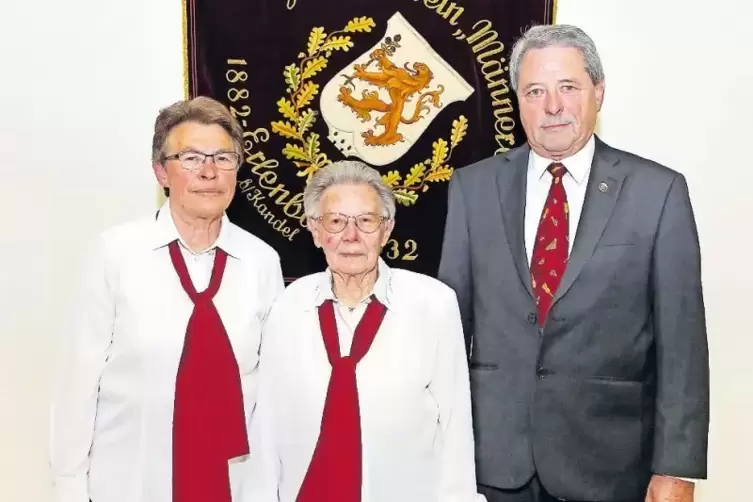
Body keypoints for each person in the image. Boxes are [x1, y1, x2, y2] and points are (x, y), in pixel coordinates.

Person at [438, 24, 709, 502]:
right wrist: (438, 452)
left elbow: (682, 344)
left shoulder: (658, 193)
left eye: (568, 87)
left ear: (598, 93)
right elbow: (448, 331)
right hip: (492, 466)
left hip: (610, 466)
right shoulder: (472, 189)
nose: (553, 106)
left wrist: (676, 469)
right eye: (535, 91)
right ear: (518, 101)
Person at [49, 96, 284, 502]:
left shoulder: (261, 262)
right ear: (161, 172)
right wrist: (68, 487)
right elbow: (77, 383)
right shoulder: (116, 253)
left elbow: (272, 392)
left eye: (224, 158)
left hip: (233, 486)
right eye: (191, 157)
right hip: (130, 482)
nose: (209, 172)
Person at [241, 160, 485, 502]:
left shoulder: (433, 304)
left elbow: (456, 426)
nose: (351, 236)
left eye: (366, 221)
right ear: (314, 230)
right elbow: (266, 424)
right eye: (336, 221)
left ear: (386, 230)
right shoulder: (288, 307)